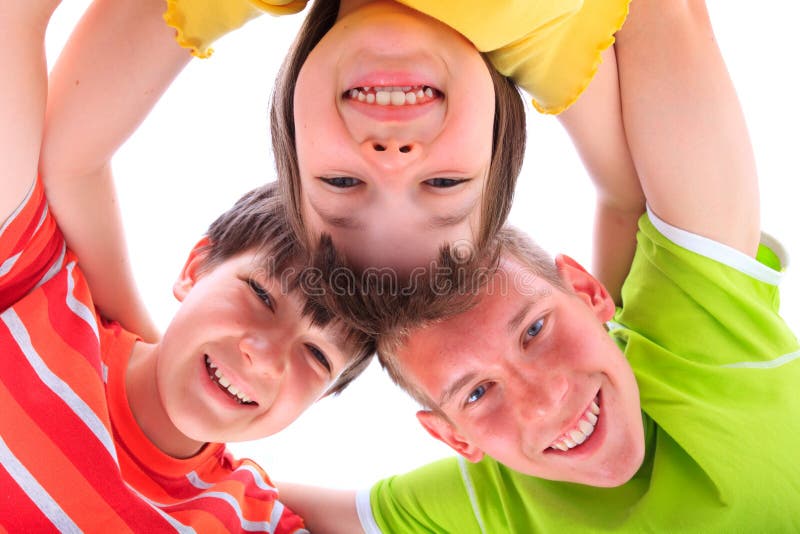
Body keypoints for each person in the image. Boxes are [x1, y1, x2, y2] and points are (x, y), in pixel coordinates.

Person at [275, 0, 800, 531]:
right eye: (476, 394)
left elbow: (664, 14)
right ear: (455, 437)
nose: (546, 402)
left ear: (588, 291)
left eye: (535, 330)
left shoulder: (697, 345)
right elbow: (230, 499)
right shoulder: (489, 501)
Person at [42, 0, 640, 345]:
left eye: (343, 184)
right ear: (497, 144)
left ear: (293, 139)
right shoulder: (544, 33)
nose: (391, 159)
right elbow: (627, 200)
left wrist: (145, 350)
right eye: (442, 185)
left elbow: (71, 160)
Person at [0, 2, 373, 530]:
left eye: (317, 355)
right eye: (262, 295)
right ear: (195, 266)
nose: (264, 357)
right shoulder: (38, 291)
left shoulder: (250, 521)